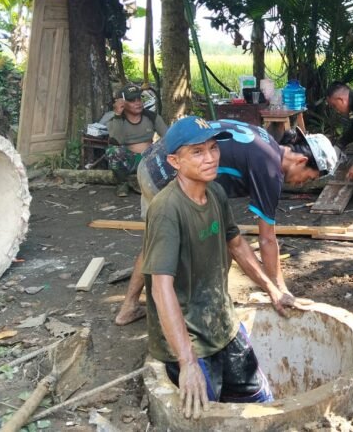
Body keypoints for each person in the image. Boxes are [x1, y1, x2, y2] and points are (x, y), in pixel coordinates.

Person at [115, 119, 339, 326]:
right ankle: (197, 309)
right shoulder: (270, 170)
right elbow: (267, 239)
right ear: (301, 160)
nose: (301, 184)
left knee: (161, 242)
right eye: (308, 178)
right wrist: (279, 289)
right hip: (165, 174)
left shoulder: (267, 141)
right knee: (176, 245)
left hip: (152, 160)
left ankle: (130, 306)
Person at [142, 115, 290, 417]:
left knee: (261, 404)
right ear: (174, 161)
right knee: (205, 414)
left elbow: (236, 244)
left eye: (213, 148)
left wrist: (272, 289)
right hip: (189, 338)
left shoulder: (216, 193)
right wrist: (187, 362)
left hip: (222, 323)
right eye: (197, 152)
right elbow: (160, 287)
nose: (210, 158)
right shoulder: (167, 209)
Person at [101, 83, 168, 197]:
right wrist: (118, 115)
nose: (138, 103)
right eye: (132, 100)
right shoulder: (115, 120)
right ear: (122, 103)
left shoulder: (151, 117)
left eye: (139, 99)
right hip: (129, 161)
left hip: (149, 158)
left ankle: (148, 181)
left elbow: (167, 137)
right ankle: (122, 183)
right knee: (113, 151)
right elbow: (117, 141)